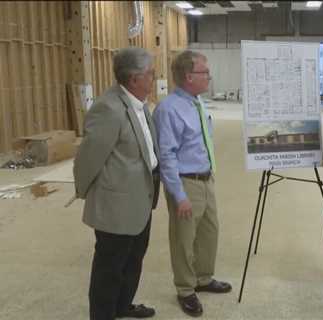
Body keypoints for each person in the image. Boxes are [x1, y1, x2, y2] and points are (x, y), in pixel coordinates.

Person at [74, 47, 160, 320]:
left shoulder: (138, 103)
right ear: (134, 79)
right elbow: (88, 158)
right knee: (109, 267)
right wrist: (87, 193)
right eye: (150, 74)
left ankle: (122, 306)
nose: (154, 78)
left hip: (141, 200)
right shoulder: (108, 108)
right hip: (116, 205)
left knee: (133, 260)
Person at [153, 50, 231, 317]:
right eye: (204, 72)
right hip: (185, 183)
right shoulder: (169, 109)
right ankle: (186, 289)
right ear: (188, 76)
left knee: (209, 232)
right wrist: (178, 195)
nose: (209, 77)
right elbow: (167, 155)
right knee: (184, 239)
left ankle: (203, 278)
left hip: (205, 178)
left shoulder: (197, 102)